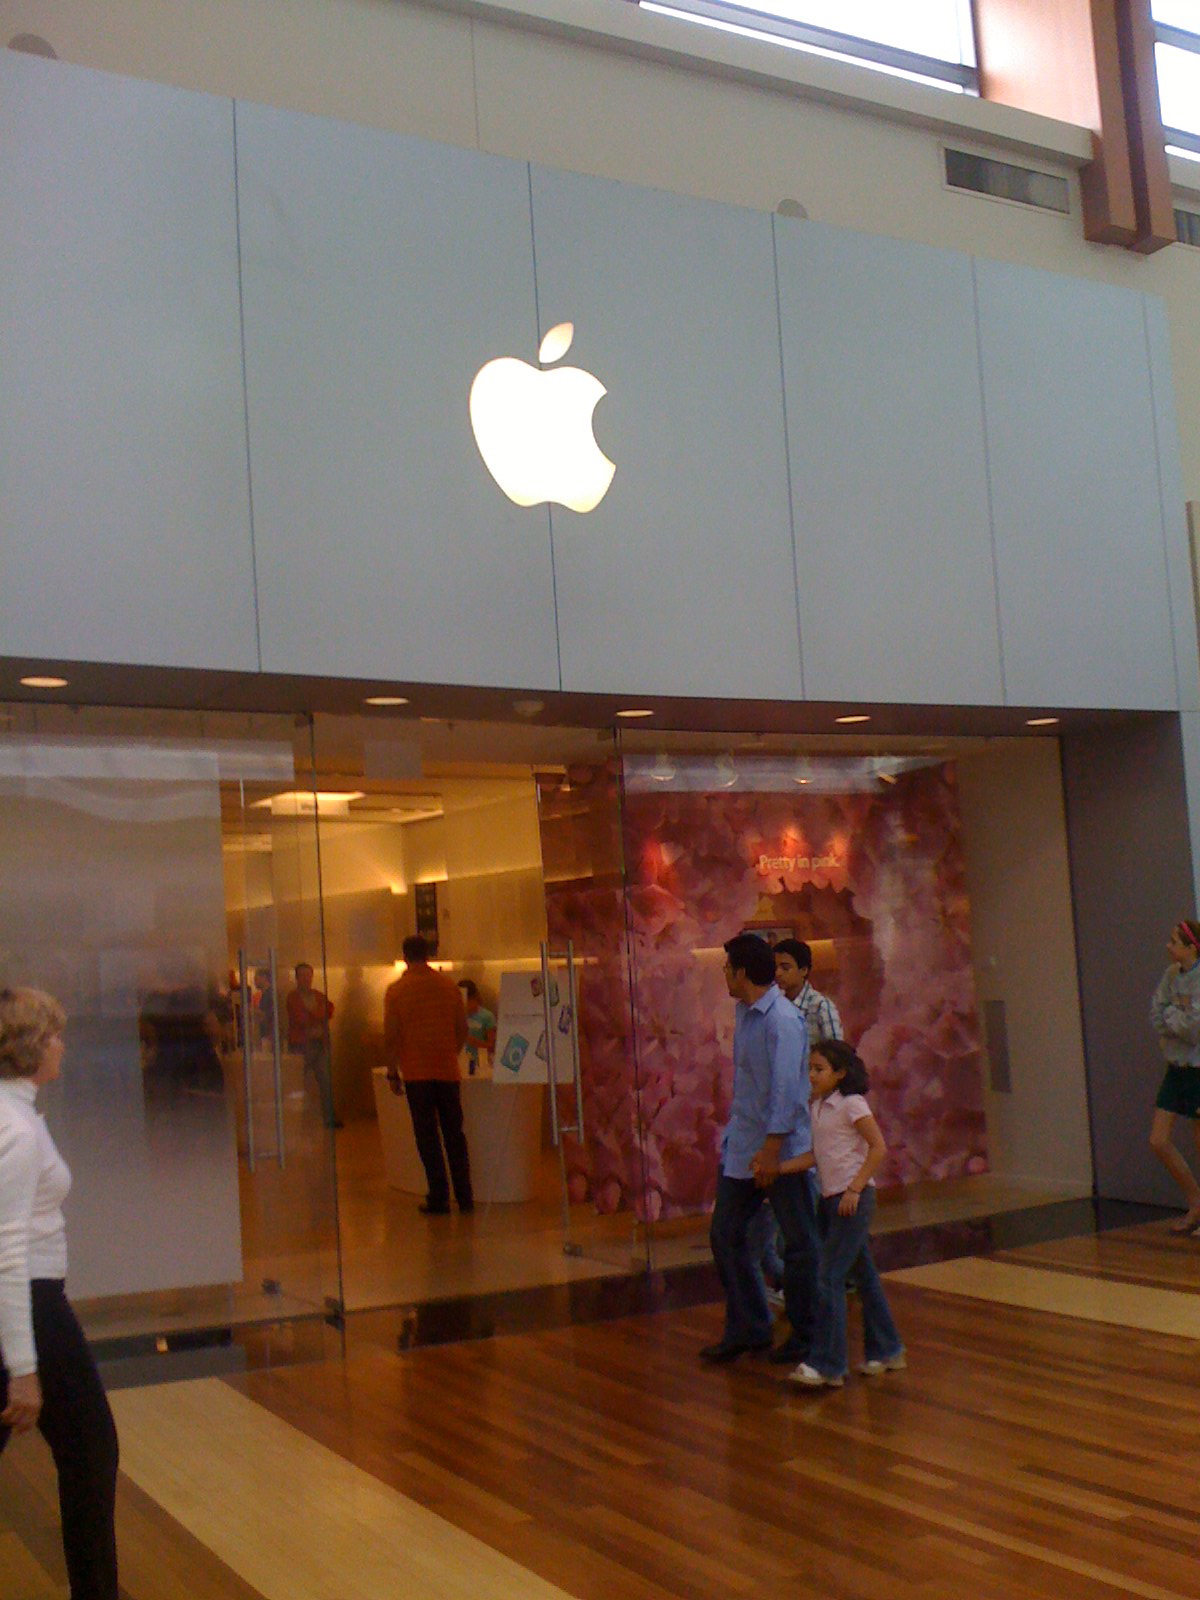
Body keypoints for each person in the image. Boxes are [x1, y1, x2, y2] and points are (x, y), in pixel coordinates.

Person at [0, 987, 120, 1599]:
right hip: (33, 1307)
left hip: (27, 1305)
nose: (62, 1045)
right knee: (92, 1450)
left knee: (89, 1452)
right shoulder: (15, 1128)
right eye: (53, 1036)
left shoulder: (12, 1111)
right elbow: (8, 1256)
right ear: (27, 1048)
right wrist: (24, 1369)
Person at [701, 934, 820, 1364]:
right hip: (744, 1146)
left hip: (782, 1150)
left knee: (801, 1243)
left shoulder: (781, 1021)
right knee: (726, 1235)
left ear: (743, 972)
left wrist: (771, 1151)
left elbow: (787, 1091)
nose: (724, 975)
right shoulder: (746, 1014)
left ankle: (808, 1336)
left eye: (727, 968)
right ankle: (750, 1328)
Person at [779, 1038, 904, 1389]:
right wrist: (780, 1168)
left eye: (819, 1070)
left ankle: (828, 1364)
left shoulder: (852, 1104)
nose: (812, 1076)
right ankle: (888, 1348)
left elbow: (878, 1147)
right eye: (810, 1070)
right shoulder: (818, 1108)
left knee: (829, 1276)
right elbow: (818, 1157)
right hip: (832, 1199)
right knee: (863, 1275)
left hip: (853, 1199)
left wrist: (854, 1188)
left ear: (840, 1073)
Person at [384, 937, 473, 1214]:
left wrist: (392, 1072)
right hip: (447, 1070)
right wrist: (448, 1052)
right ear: (428, 955)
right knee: (454, 1134)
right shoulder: (448, 987)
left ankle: (439, 1196)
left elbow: (392, 1037)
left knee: (427, 1136)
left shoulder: (397, 991)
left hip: (416, 1071)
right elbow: (462, 1030)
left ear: (405, 956)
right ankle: (465, 1196)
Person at [1149, 919, 1200, 1232]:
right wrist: (1174, 1019)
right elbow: (1156, 1013)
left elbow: (1194, 1030)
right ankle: (1196, 1202)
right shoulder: (1170, 975)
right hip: (1175, 1069)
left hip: (1198, 1069)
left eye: (1174, 942)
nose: (1168, 947)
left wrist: (1174, 1019)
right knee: (1158, 1140)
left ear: (1191, 947)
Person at [286, 962, 339, 1129]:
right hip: (301, 1046)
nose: (306, 979)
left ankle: (329, 1119)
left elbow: (330, 1010)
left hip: (319, 1045)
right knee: (297, 1084)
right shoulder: (293, 997)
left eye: (309, 975)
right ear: (297, 978)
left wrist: (314, 1014)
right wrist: (318, 1013)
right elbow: (300, 1019)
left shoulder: (318, 995)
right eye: (303, 976)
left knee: (325, 1083)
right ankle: (296, 1120)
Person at [774, 938, 843, 1042]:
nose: (777, 973)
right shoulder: (777, 1004)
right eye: (775, 968)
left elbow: (837, 1053)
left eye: (785, 968)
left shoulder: (821, 1005)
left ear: (803, 970)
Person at [457, 979, 497, 1076]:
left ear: (474, 998)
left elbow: (492, 1046)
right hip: (460, 1064)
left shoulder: (486, 1016)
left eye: (468, 1001)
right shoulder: (456, 1016)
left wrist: (474, 1042)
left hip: (481, 1064)